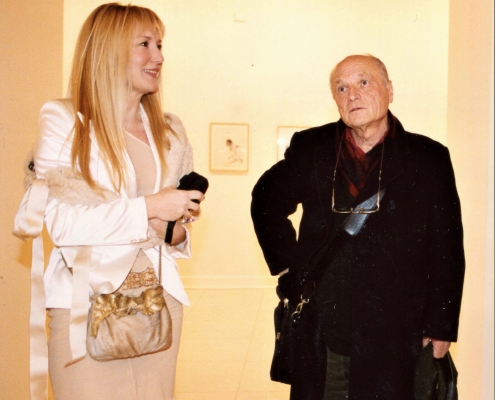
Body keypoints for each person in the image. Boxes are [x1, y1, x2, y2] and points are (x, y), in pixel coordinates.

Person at [13, 3, 204, 399]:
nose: (159, 56)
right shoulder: (64, 120)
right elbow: (62, 225)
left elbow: (174, 224)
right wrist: (150, 207)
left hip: (158, 302)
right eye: (145, 44)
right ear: (109, 50)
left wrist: (174, 231)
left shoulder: (168, 131)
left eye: (160, 44)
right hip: (85, 306)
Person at [251, 54, 465, 399]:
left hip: (397, 327)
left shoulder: (429, 158)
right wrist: (290, 264)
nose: (352, 94)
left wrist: (441, 326)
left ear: (389, 90)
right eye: (341, 88)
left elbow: (447, 248)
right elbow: (266, 200)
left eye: (363, 82)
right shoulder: (313, 148)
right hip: (326, 321)